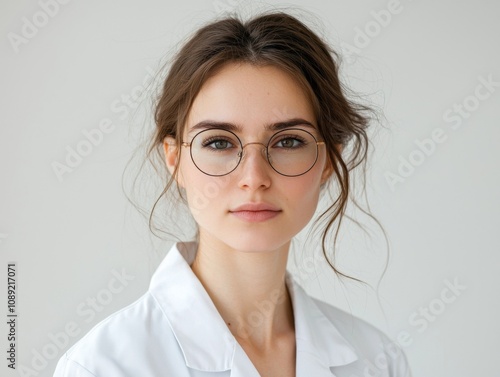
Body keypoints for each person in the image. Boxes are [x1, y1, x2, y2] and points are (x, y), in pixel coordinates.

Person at [53, 10, 411, 377]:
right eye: (220, 142)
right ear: (175, 160)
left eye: (288, 141)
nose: (254, 178)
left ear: (329, 161)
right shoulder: (103, 366)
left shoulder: (377, 361)